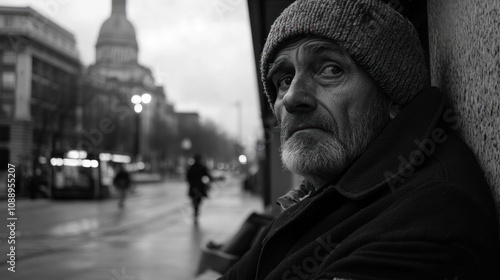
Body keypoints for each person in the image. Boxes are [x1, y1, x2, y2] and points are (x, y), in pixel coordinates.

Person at [220, 0, 499, 279]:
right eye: (283, 79)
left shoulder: (432, 218)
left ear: (393, 98)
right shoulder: (323, 191)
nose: (293, 97)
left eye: (330, 69)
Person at [186, 154, 213, 222]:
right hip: (200, 187)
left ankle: (196, 211)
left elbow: (188, 177)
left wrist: (191, 182)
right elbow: (207, 175)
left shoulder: (191, 168)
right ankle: (196, 211)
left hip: (193, 187)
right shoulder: (202, 167)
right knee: (198, 200)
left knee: (194, 200)